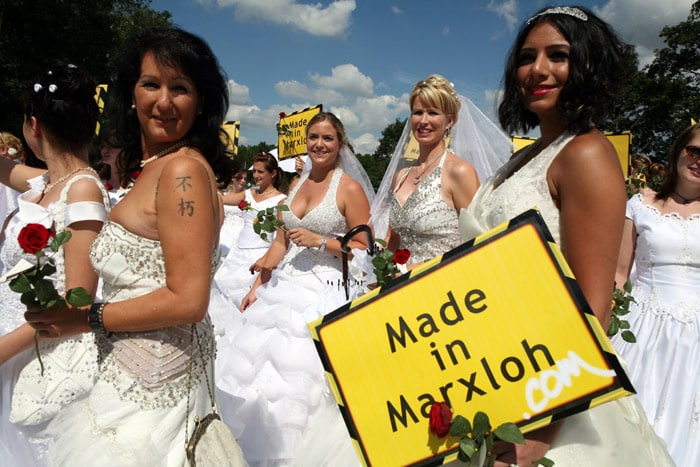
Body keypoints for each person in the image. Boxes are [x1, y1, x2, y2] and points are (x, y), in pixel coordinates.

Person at [458, 6, 674, 466]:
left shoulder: (587, 152)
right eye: (526, 56)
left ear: (588, 65)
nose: (537, 69)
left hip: (546, 392)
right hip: (496, 370)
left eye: (558, 55)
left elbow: (593, 306)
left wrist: (538, 435)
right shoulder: (529, 154)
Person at [19, 27, 245, 465]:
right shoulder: (159, 166)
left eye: (180, 87)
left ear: (201, 102)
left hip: (158, 392)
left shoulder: (183, 171)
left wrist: (85, 318)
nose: (163, 101)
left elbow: (188, 299)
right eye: (150, 84)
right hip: (133, 374)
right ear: (130, 92)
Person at [215, 111, 374, 465]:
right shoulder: (297, 183)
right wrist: (258, 284)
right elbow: (280, 242)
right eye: (314, 137)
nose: (319, 144)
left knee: (296, 377)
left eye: (328, 138)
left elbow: (365, 249)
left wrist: (321, 241)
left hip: (325, 288)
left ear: (340, 144)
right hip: (284, 284)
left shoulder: (347, 187)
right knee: (254, 369)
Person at [0, 62, 110, 463]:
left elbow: (76, 302)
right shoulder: (48, 182)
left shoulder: (81, 189)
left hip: (35, 351)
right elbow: (5, 168)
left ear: (33, 125)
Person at [612, 122, 700, 466]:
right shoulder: (641, 204)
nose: (698, 160)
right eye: (694, 150)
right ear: (679, 151)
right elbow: (620, 273)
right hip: (641, 331)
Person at [370, 74, 511, 268]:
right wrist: (382, 272)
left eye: (433, 113)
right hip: (401, 289)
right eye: (418, 112)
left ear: (450, 121)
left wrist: (421, 267)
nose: (423, 121)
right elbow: (394, 240)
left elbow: (476, 243)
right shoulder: (400, 176)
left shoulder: (459, 171)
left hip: (444, 287)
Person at [214, 151, 287, 310]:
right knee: (222, 291)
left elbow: (280, 238)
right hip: (237, 254)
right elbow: (220, 199)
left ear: (273, 173)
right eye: (254, 171)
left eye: (260, 171)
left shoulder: (281, 200)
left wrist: (266, 259)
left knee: (246, 299)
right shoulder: (248, 194)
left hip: (259, 255)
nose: (255, 175)